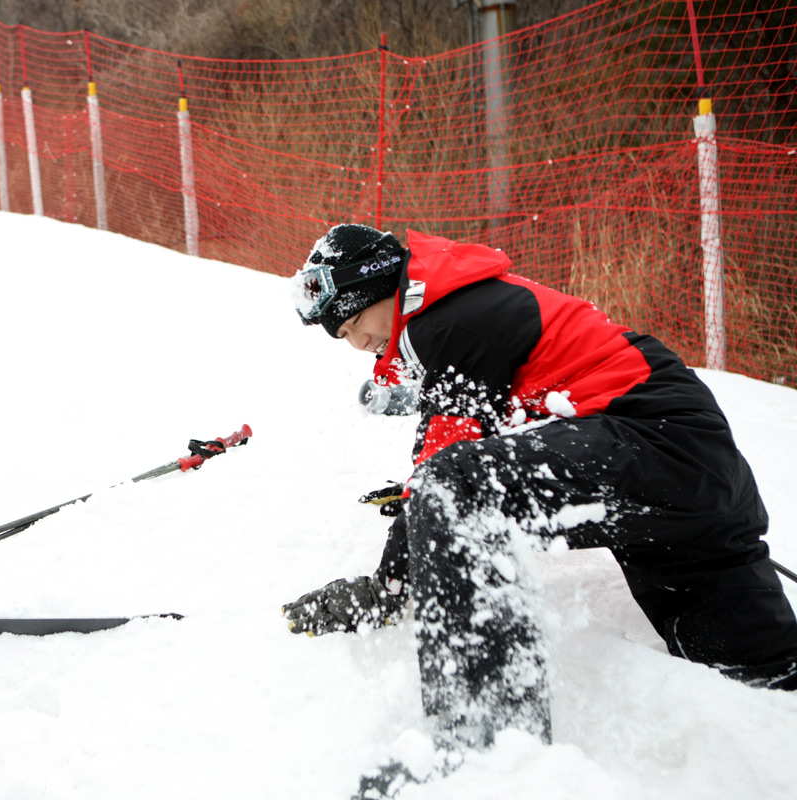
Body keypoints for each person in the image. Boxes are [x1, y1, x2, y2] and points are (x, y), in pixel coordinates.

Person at [282, 224, 797, 797]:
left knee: (453, 488)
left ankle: (487, 753)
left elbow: (446, 471)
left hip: (645, 440)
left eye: (352, 327)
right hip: (691, 468)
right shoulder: (463, 304)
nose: (355, 345)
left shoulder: (448, 321)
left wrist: (387, 590)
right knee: (767, 686)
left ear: (378, 290)